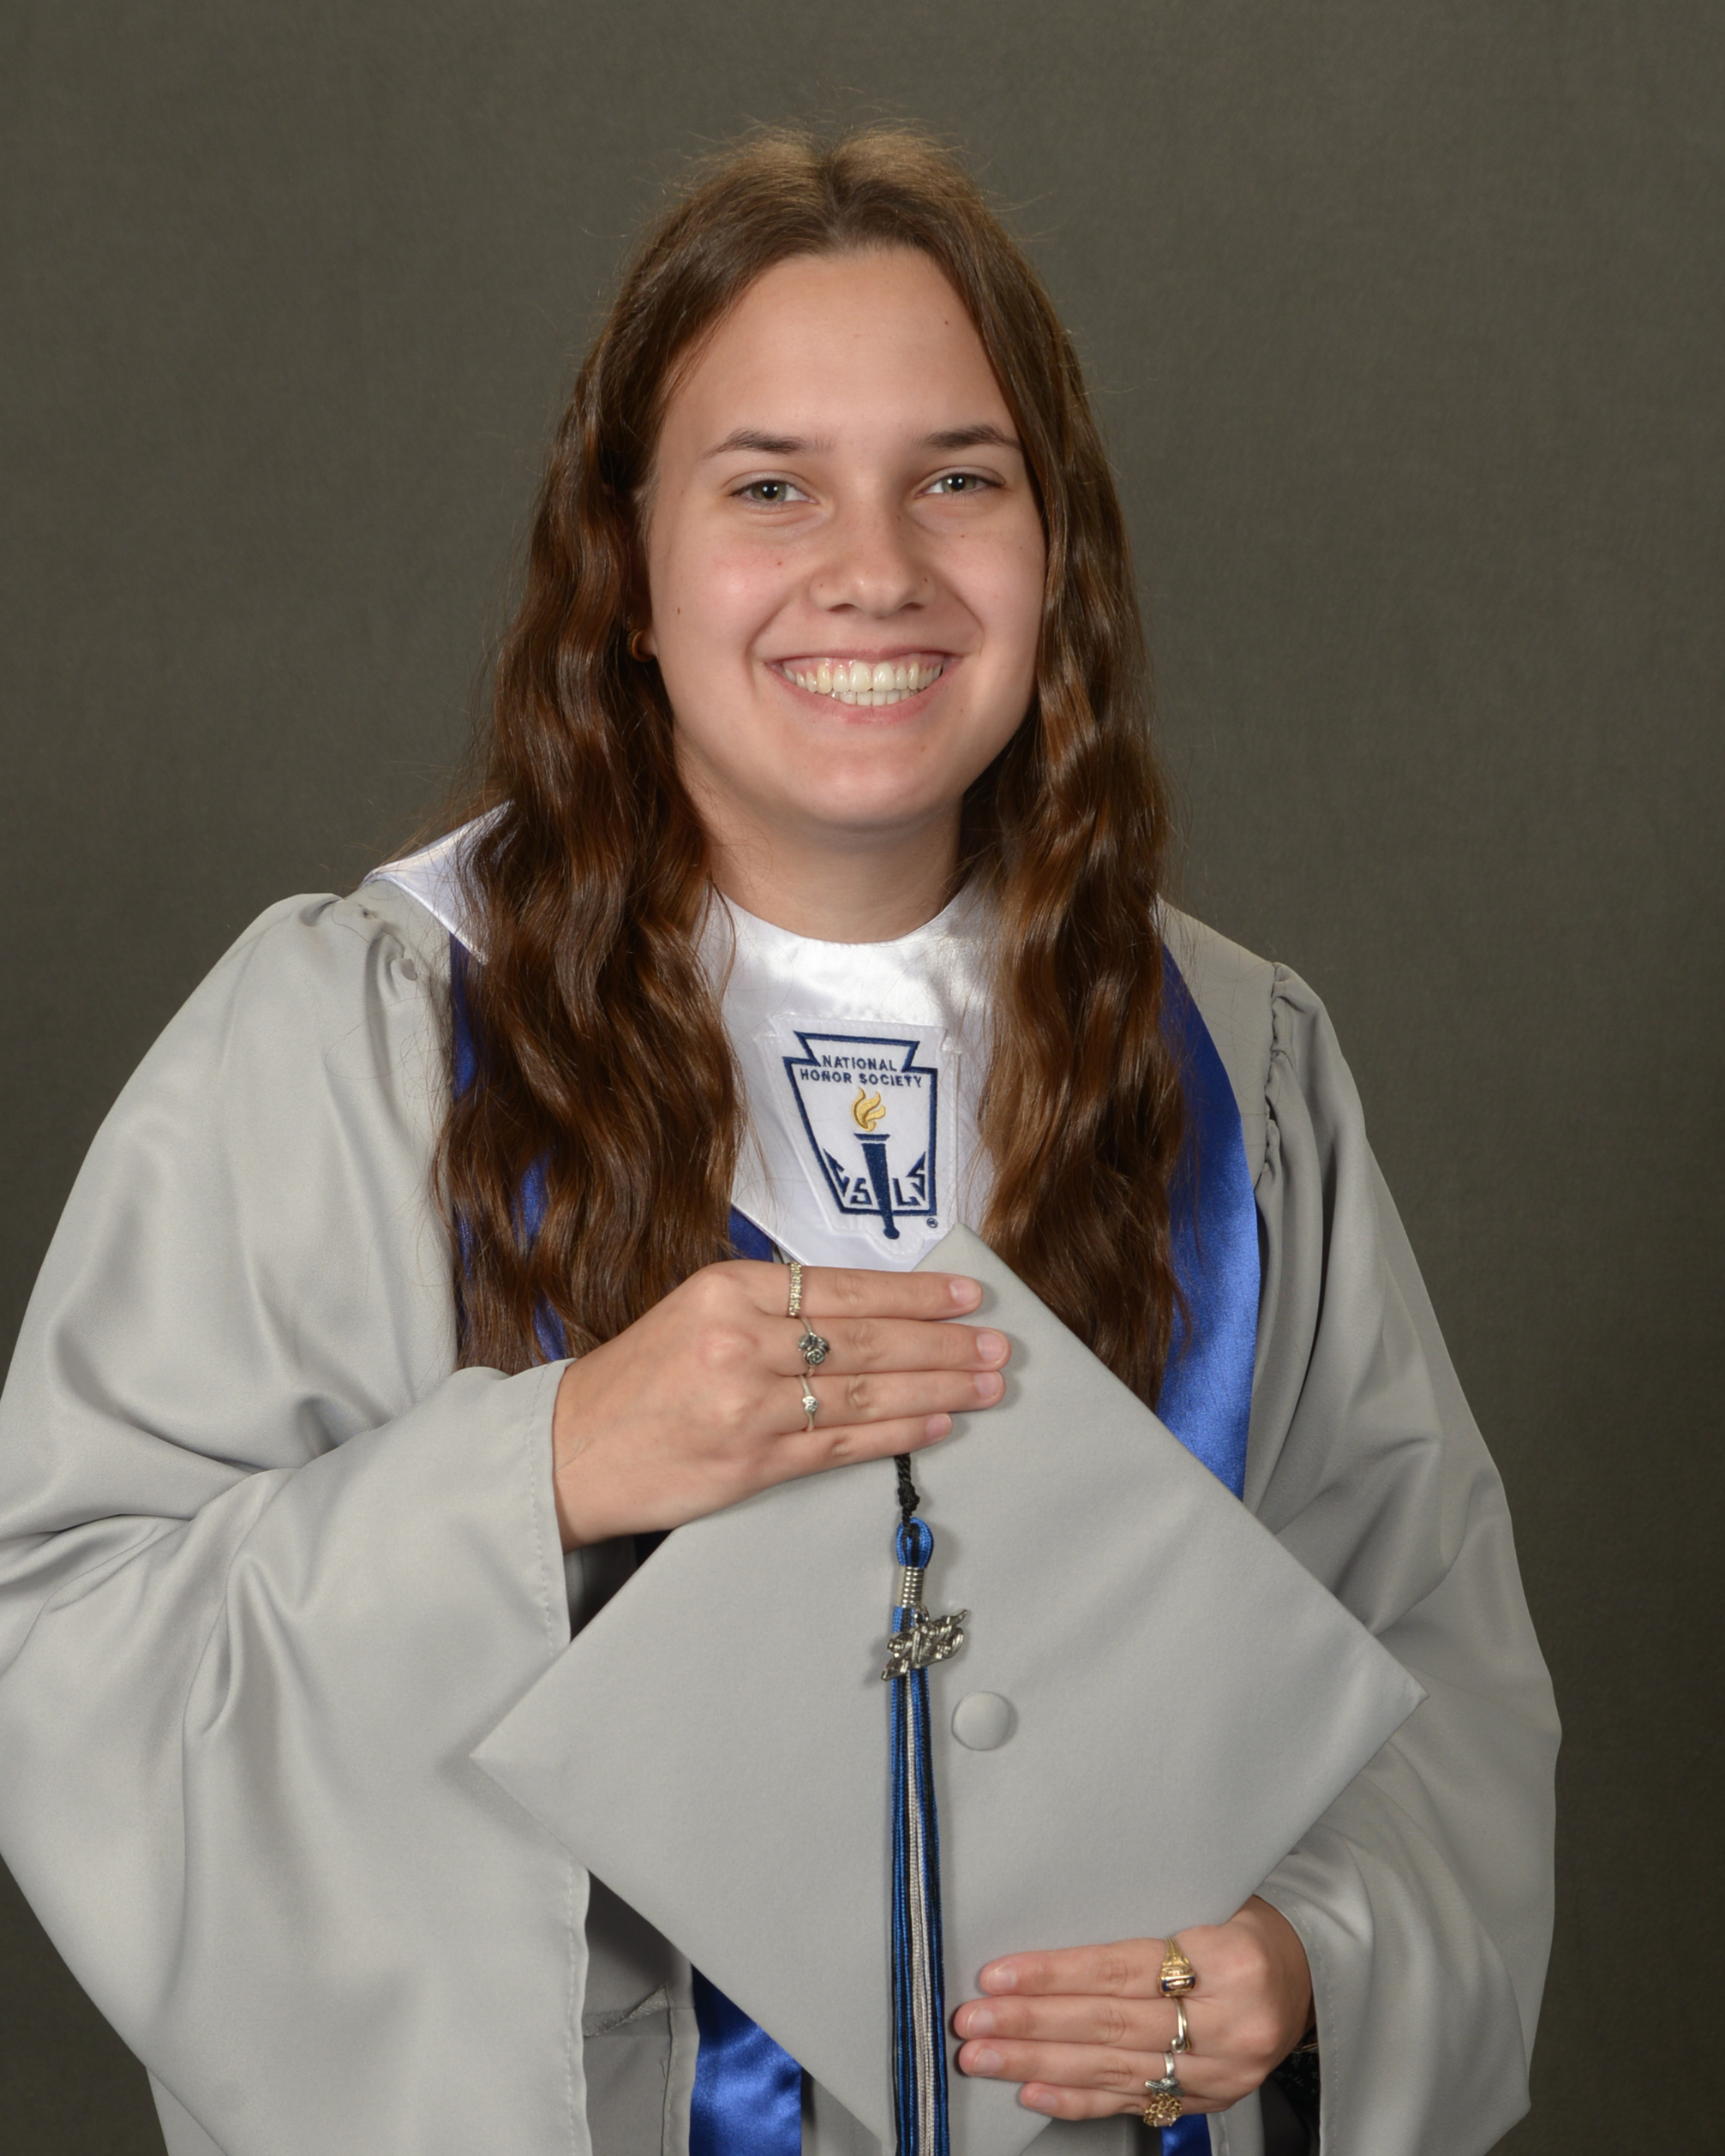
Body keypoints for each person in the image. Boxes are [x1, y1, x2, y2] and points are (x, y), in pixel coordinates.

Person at [0, 128, 1556, 2156]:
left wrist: (1304, 1958)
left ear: (1053, 548)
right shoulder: (360, 1037)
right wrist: (545, 1465)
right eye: (766, 486)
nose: (873, 568)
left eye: (957, 478)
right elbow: (73, 1645)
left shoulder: (1225, 1069)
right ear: (625, 567)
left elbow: (1435, 1682)